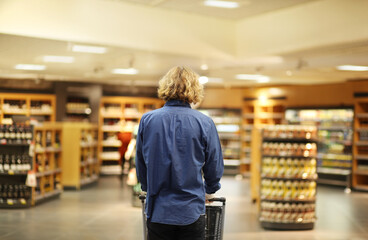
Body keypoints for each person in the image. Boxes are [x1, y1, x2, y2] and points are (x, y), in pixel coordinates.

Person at [135, 66, 224, 240]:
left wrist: (147, 187)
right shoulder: (204, 123)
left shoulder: (148, 120)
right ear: (195, 89)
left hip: (158, 210)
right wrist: (210, 189)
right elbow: (214, 163)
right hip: (191, 210)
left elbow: (140, 161)